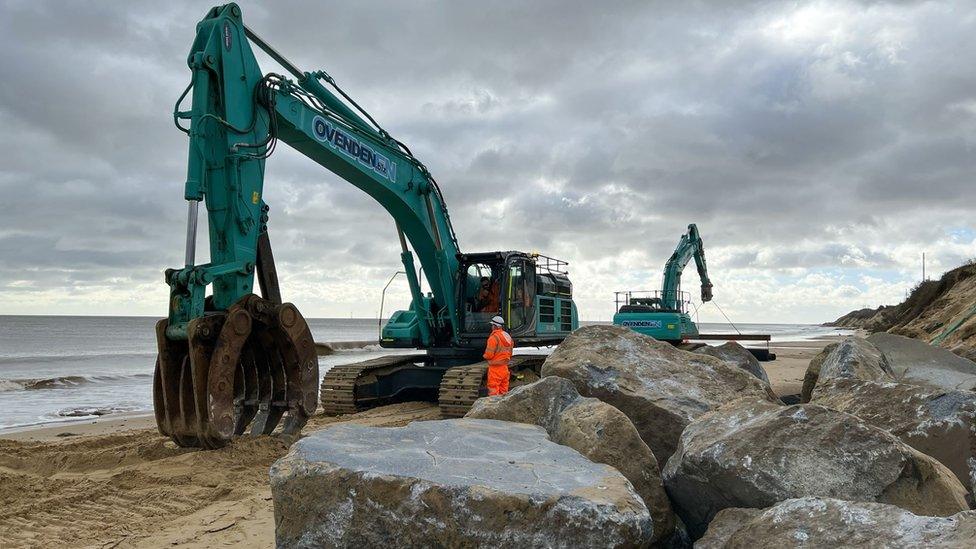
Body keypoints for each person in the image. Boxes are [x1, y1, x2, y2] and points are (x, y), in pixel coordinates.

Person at [483, 315, 513, 396]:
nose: (491, 327)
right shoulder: (508, 337)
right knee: (504, 390)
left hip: (495, 369)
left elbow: (489, 355)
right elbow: (510, 353)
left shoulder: (493, 338)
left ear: (495, 326)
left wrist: (484, 356)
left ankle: (493, 406)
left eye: (492, 325)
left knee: (493, 390)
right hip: (504, 368)